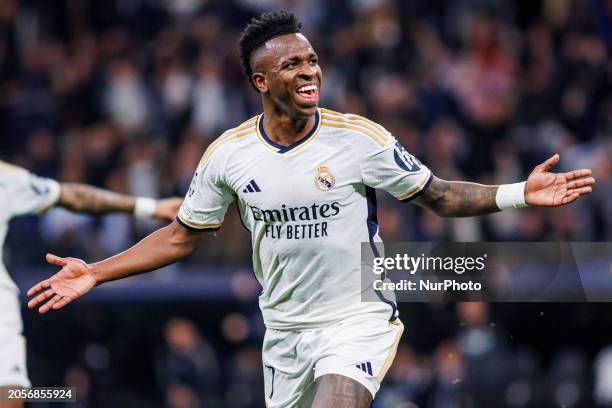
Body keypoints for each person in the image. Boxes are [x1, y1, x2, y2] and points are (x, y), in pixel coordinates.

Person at [26, 11, 595, 408]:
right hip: (284, 331)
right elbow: (180, 236)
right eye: (293, 64)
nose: (310, 71)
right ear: (260, 81)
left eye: (313, 60)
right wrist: (96, 272)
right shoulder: (228, 156)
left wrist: (520, 192)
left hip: (357, 319)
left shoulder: (359, 140)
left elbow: (440, 195)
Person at [0, 160, 181, 408]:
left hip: (2, 319)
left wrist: (150, 207)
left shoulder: (5, 178)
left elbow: (73, 196)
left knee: (11, 397)